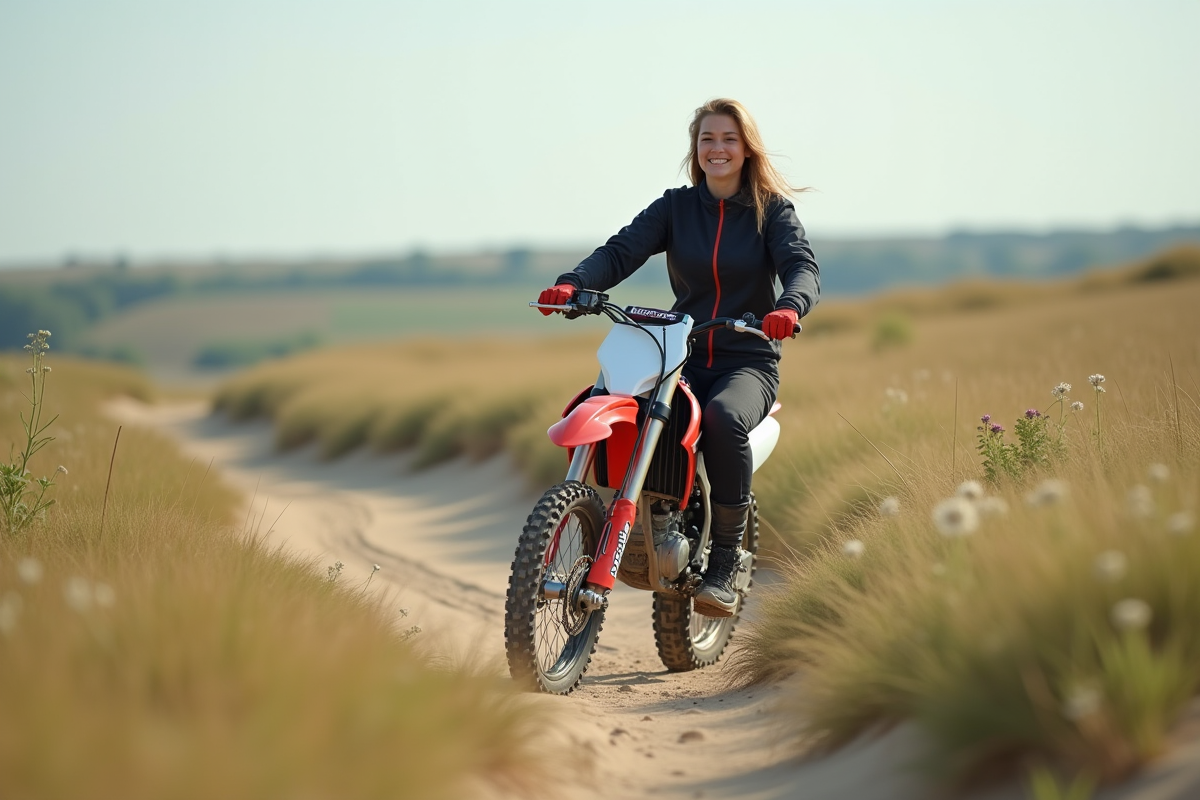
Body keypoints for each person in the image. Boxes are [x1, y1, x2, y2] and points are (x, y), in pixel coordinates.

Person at [537, 98, 820, 617]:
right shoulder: (675, 207)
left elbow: (801, 266)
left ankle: (725, 564)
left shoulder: (771, 212)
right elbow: (621, 251)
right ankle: (649, 519)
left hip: (747, 359)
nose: (717, 149)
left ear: (746, 149)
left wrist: (787, 307)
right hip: (680, 354)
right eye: (707, 139)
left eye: (728, 139)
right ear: (696, 148)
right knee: (627, 402)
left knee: (721, 418)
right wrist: (575, 284)